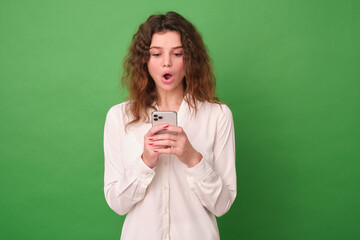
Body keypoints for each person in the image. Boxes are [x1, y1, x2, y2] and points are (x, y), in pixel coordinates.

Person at [103, 11, 237, 240]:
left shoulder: (218, 116)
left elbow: (222, 205)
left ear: (191, 59)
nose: (167, 62)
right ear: (144, 60)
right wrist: (145, 162)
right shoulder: (119, 117)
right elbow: (118, 203)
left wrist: (192, 158)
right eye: (156, 53)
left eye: (177, 53)